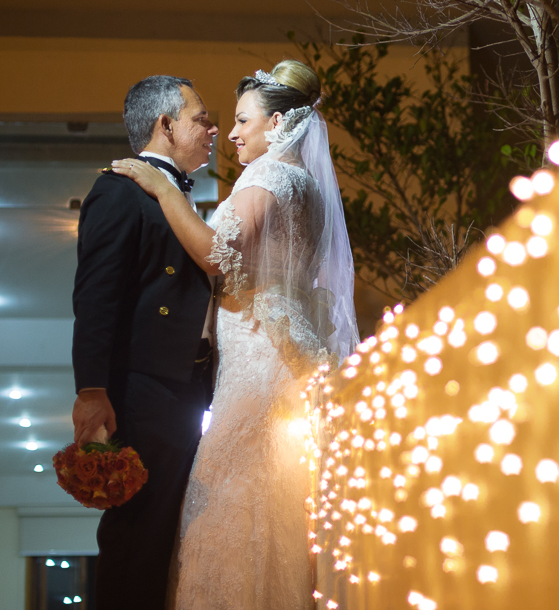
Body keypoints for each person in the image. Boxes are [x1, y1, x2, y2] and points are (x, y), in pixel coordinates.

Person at [110, 60, 359, 609]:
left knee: (234, 499)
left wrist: (163, 189)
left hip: (260, 362)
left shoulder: (269, 176)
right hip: (282, 350)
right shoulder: (306, 186)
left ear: (276, 125)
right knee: (272, 501)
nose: (233, 132)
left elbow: (216, 254)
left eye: (244, 120)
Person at [72, 75, 219, 610]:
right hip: (145, 389)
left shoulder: (175, 194)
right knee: (137, 534)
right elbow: (96, 296)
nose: (213, 128)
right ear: (166, 124)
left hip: (187, 386)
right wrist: (92, 389)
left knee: (168, 534)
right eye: (201, 117)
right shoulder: (118, 190)